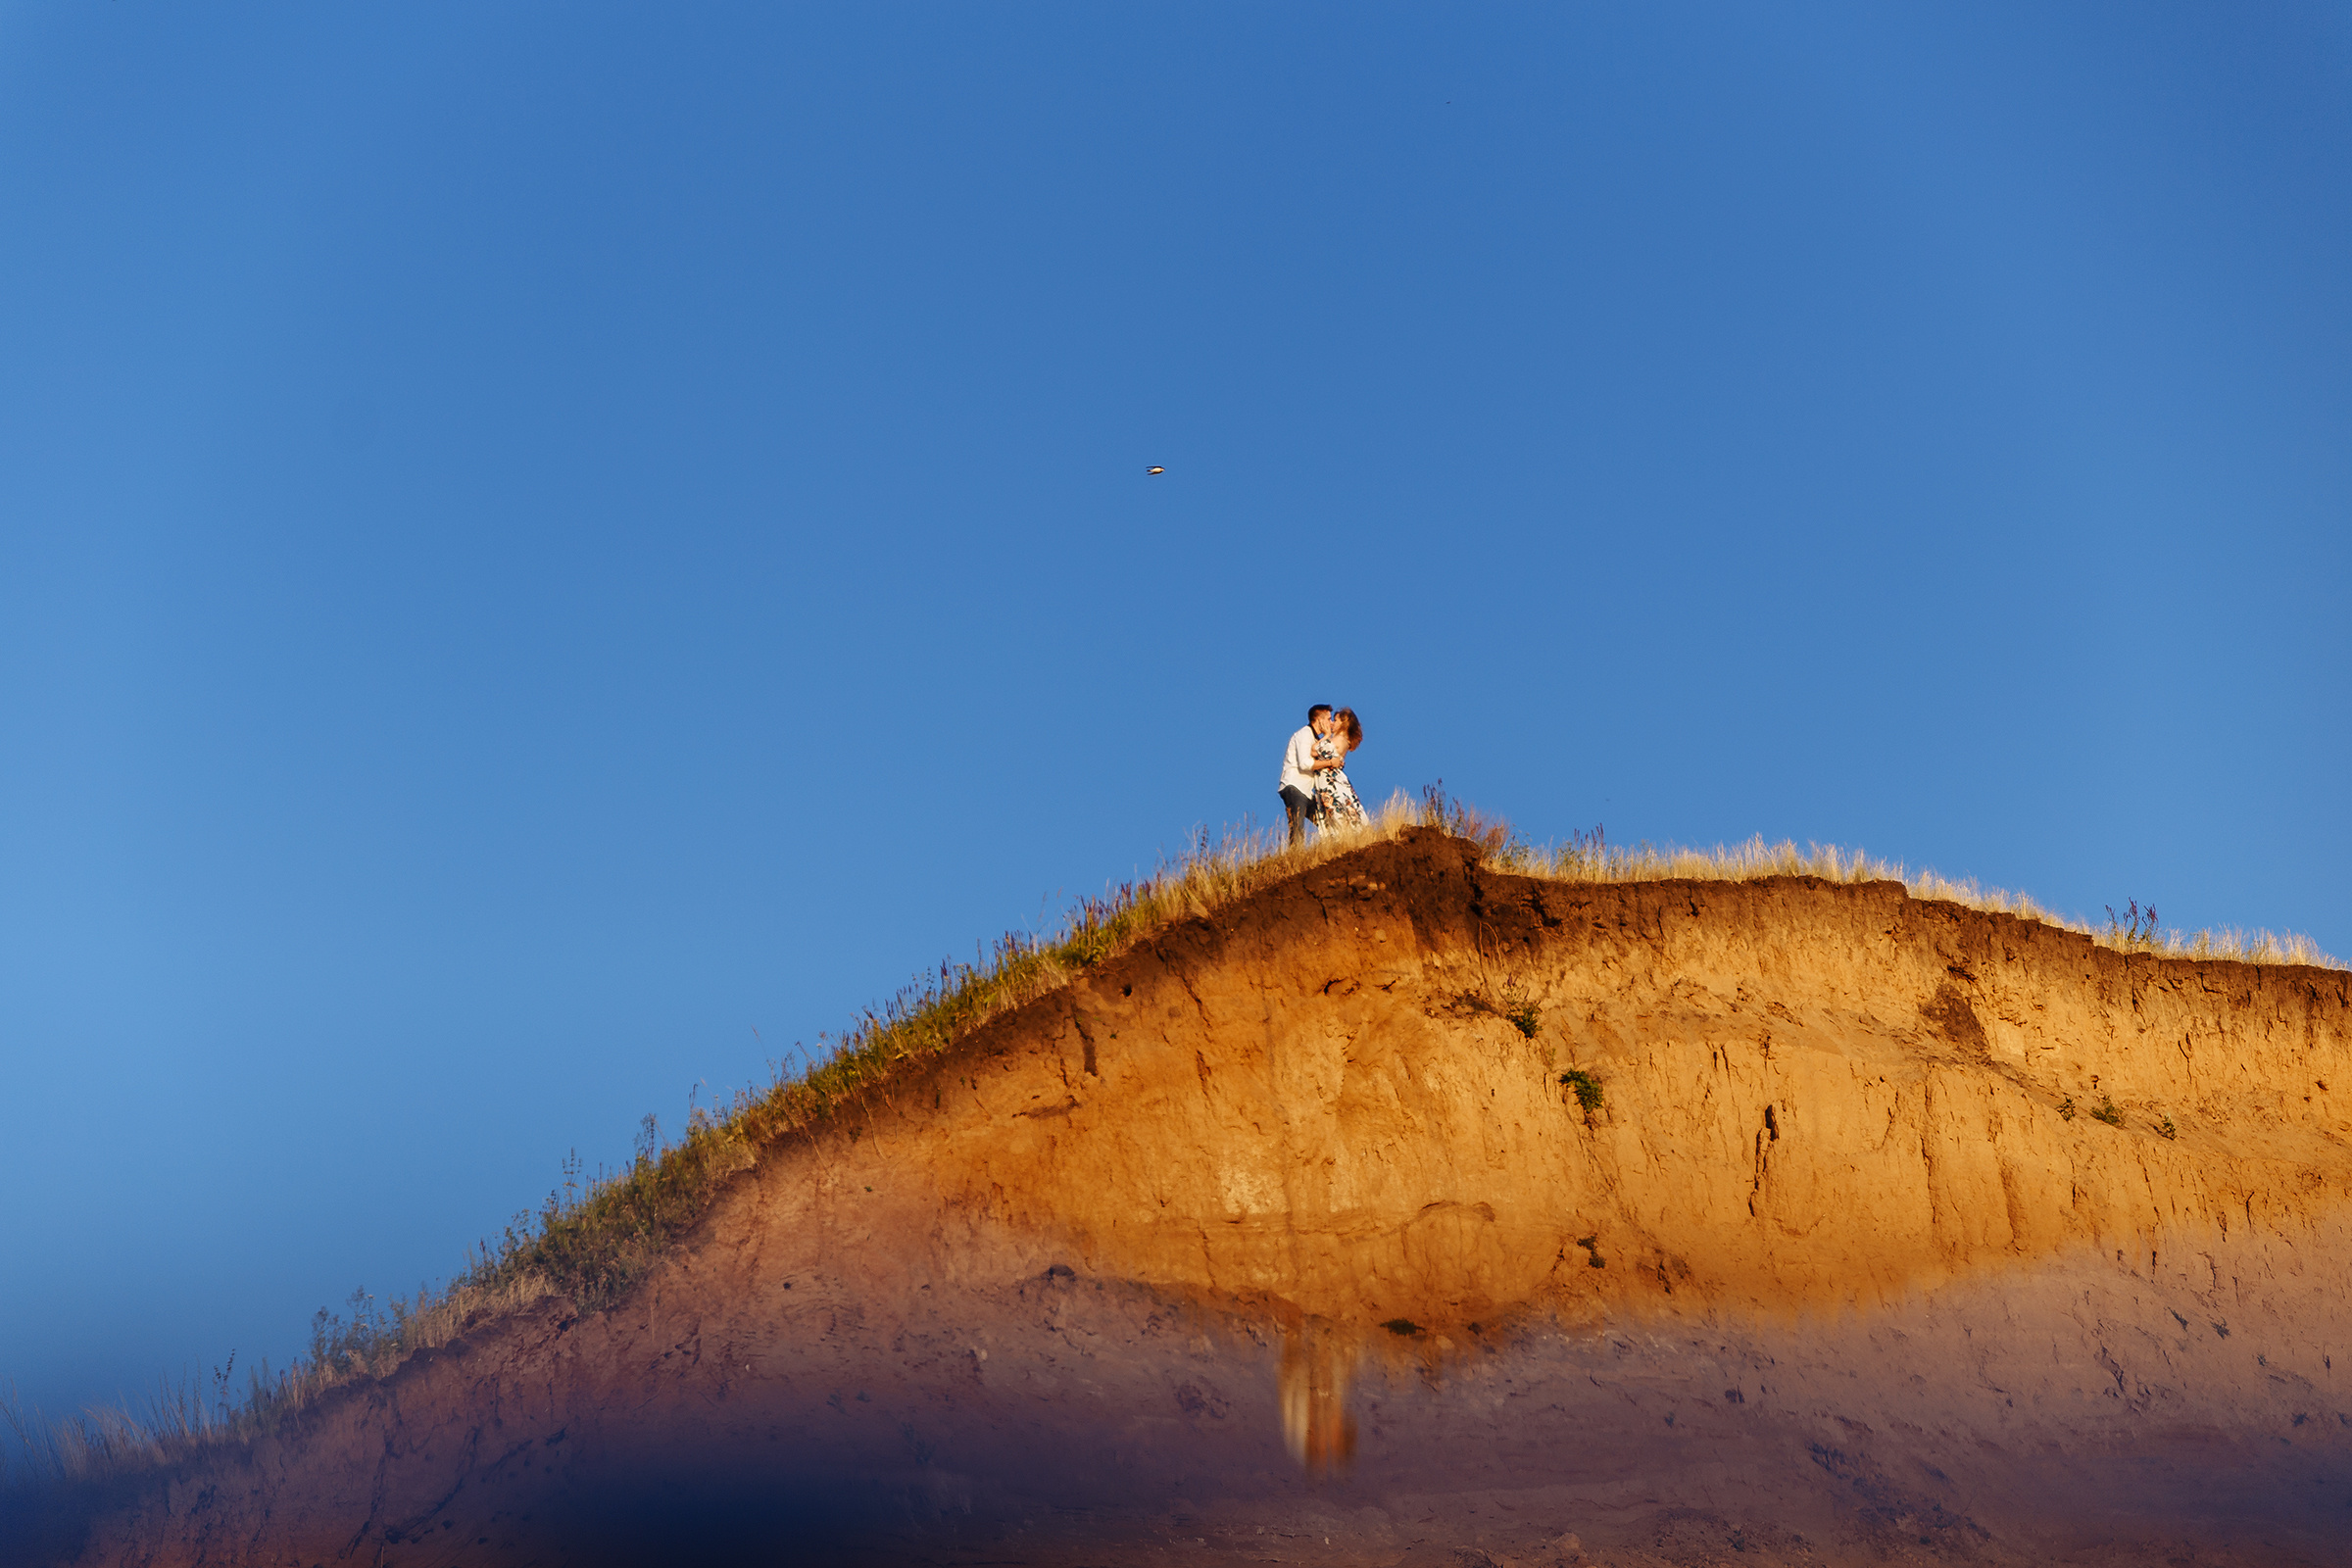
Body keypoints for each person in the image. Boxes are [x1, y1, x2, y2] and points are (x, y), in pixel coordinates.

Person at [1279, 705, 1336, 847]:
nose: (1331, 723)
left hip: (1305, 791)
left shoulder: (1314, 738)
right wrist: (1330, 762)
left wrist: (1328, 737)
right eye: (1329, 719)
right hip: (1294, 786)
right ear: (1319, 720)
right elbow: (1304, 763)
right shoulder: (1304, 734)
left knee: (1327, 823)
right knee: (1297, 828)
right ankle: (1294, 860)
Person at [1313, 708, 1368, 831]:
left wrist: (1326, 734)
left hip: (1330, 780)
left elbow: (1315, 750)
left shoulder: (1338, 739)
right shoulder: (1344, 740)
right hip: (1330, 778)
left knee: (1336, 812)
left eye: (1336, 720)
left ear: (1344, 723)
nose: (1332, 723)